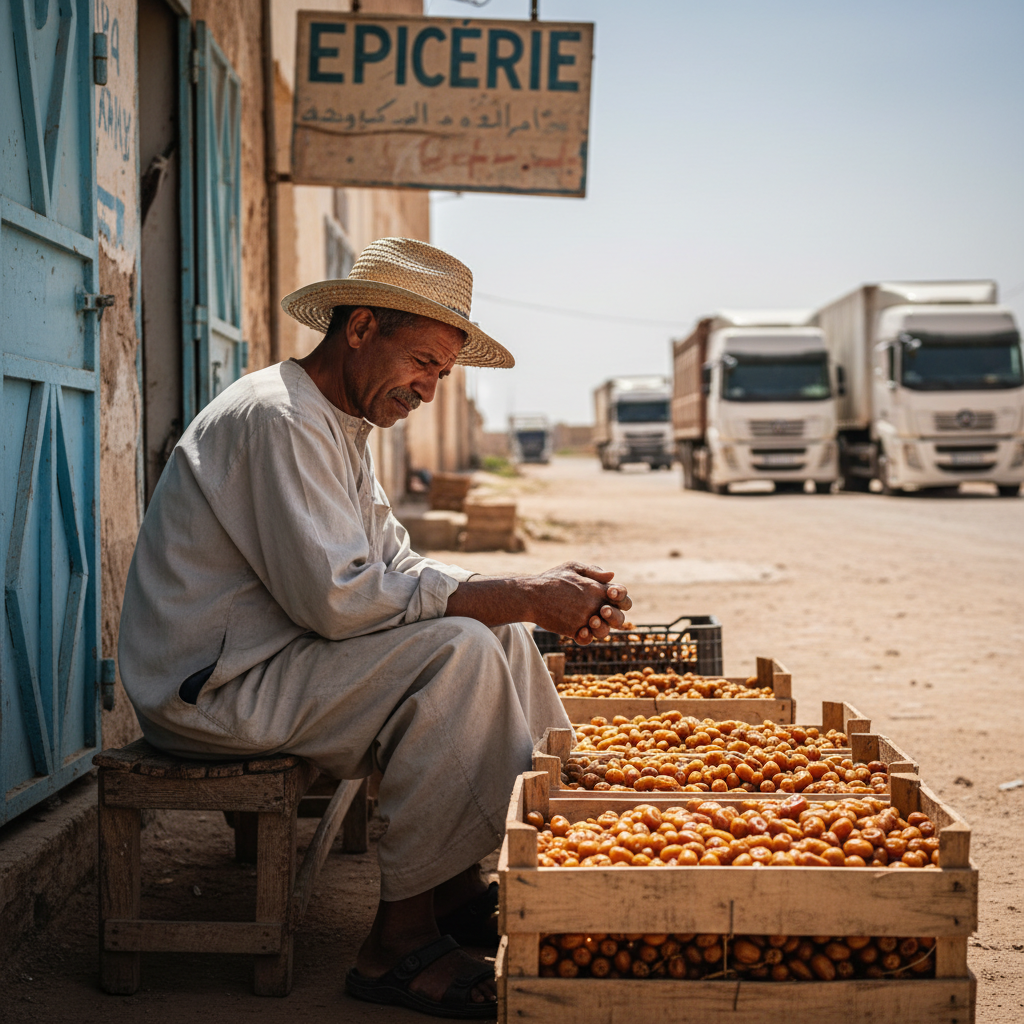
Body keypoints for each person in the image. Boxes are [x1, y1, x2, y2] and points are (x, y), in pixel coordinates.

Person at [117, 238, 631, 1019]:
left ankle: (482, 878)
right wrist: (520, 591)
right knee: (458, 651)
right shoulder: (280, 420)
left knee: (499, 634)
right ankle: (397, 945)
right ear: (359, 329)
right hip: (213, 687)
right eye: (422, 361)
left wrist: (539, 596)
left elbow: (398, 563)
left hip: (283, 660)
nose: (428, 388)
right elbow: (342, 600)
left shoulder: (338, 424)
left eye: (442, 374)